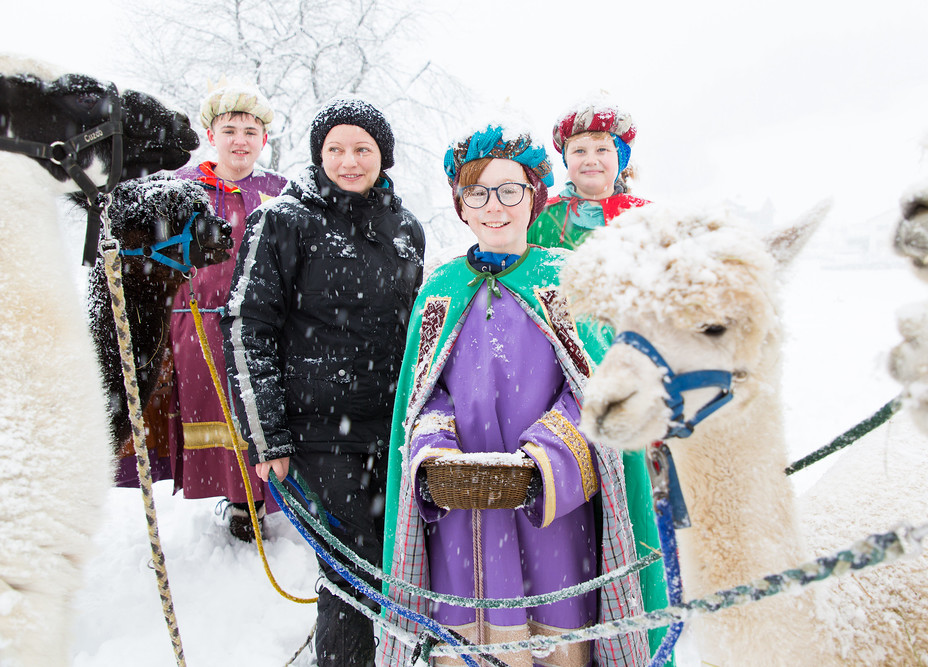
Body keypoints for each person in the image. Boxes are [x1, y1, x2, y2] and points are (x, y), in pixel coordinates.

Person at [379, 124, 663, 667]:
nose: (494, 206)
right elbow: (424, 396)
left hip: (552, 517)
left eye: (510, 190)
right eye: (477, 192)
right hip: (460, 515)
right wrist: (434, 455)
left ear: (534, 198)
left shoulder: (565, 280)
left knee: (555, 638)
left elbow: (592, 392)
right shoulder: (440, 289)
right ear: (461, 205)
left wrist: (542, 466)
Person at [222, 97, 425, 666]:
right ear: (318, 155)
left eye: (362, 149)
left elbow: (415, 329)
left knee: (397, 561)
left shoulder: (405, 228)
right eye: (335, 149)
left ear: (383, 157)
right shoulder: (283, 221)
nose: (349, 161)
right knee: (355, 563)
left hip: (391, 427)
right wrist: (267, 437)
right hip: (315, 431)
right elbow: (247, 325)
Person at [167, 82, 287, 542]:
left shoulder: (278, 193)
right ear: (211, 135)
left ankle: (258, 498)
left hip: (261, 325)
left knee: (256, 408)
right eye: (230, 130)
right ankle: (236, 498)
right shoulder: (181, 188)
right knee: (214, 409)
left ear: (264, 139)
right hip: (197, 322)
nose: (241, 140)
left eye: (251, 132)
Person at [526, 100, 649, 251]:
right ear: (566, 159)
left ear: (620, 159)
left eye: (602, 149)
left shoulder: (646, 216)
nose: (591, 160)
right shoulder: (538, 215)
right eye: (579, 151)